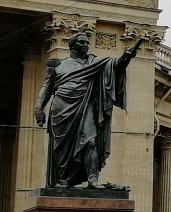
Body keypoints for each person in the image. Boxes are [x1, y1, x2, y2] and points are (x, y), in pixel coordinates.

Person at [33, 30, 140, 189]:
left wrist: (126, 57)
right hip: (60, 109)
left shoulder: (93, 62)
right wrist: (39, 108)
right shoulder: (57, 65)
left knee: (90, 142)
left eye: (87, 43)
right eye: (82, 42)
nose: (86, 45)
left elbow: (116, 65)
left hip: (85, 106)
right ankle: (64, 179)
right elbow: (46, 88)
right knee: (61, 149)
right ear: (72, 45)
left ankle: (92, 179)